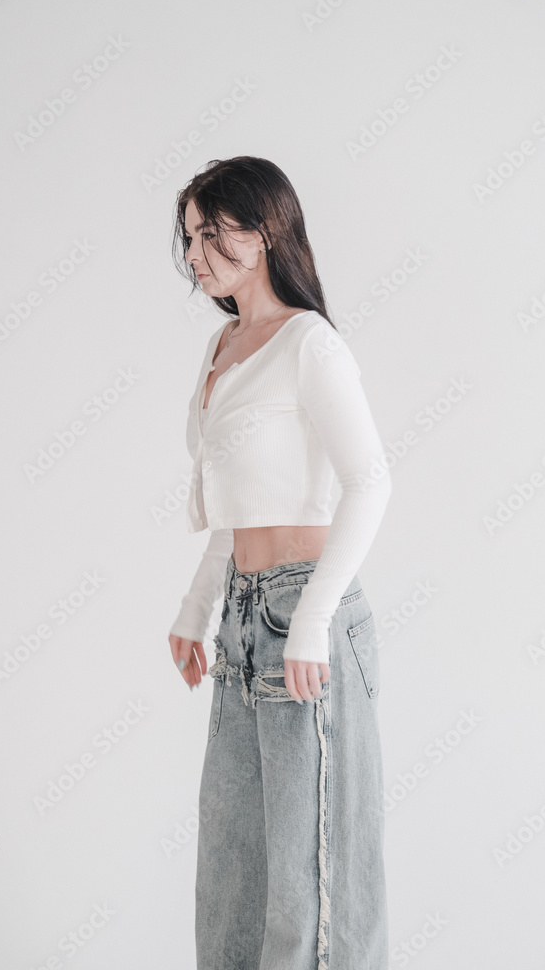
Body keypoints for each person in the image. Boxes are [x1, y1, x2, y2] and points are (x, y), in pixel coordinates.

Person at [167, 156, 392, 969]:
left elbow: (370, 481)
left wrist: (313, 622)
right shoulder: (223, 345)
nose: (194, 255)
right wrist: (196, 610)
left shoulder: (308, 343)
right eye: (188, 238)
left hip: (304, 613)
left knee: (311, 884)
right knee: (232, 875)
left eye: (209, 234)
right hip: (240, 619)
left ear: (261, 234)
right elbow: (236, 508)